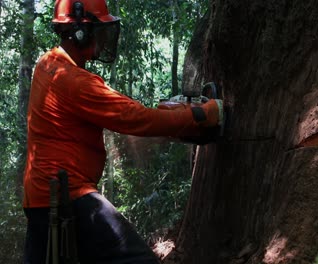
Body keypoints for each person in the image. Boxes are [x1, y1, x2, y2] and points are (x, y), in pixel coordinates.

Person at [22, 0, 222, 263]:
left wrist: (170, 112)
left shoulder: (47, 64)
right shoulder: (72, 80)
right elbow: (133, 118)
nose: (104, 39)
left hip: (39, 198)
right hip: (68, 196)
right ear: (80, 32)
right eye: (99, 31)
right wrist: (201, 115)